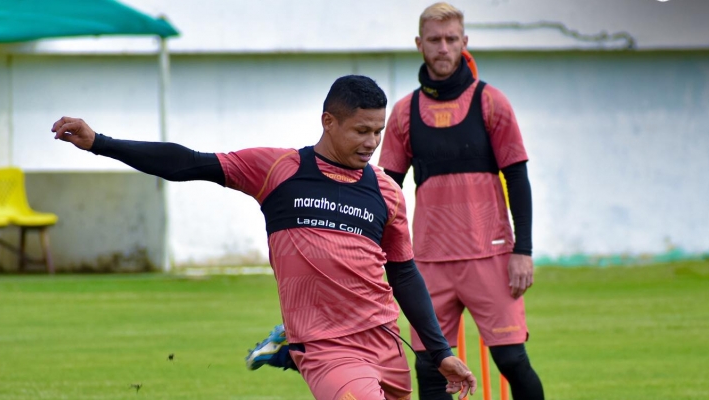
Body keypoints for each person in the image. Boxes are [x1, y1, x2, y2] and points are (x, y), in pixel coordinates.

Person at [51, 75, 477, 400]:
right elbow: (188, 163)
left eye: (378, 131)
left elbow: (404, 275)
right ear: (328, 122)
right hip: (326, 346)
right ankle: (294, 346)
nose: (371, 143)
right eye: (361, 131)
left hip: (384, 340)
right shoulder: (278, 170)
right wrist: (100, 143)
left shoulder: (386, 190)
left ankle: (284, 348)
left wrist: (440, 352)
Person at [247, 3, 544, 400]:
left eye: (451, 39)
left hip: (489, 254)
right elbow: (379, 186)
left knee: (511, 359)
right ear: (420, 44)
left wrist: (522, 249)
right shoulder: (403, 113)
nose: (443, 48)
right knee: (429, 366)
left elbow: (518, 177)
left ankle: (295, 349)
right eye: (435, 40)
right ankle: (301, 346)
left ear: (465, 43)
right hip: (428, 258)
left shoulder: (492, 104)